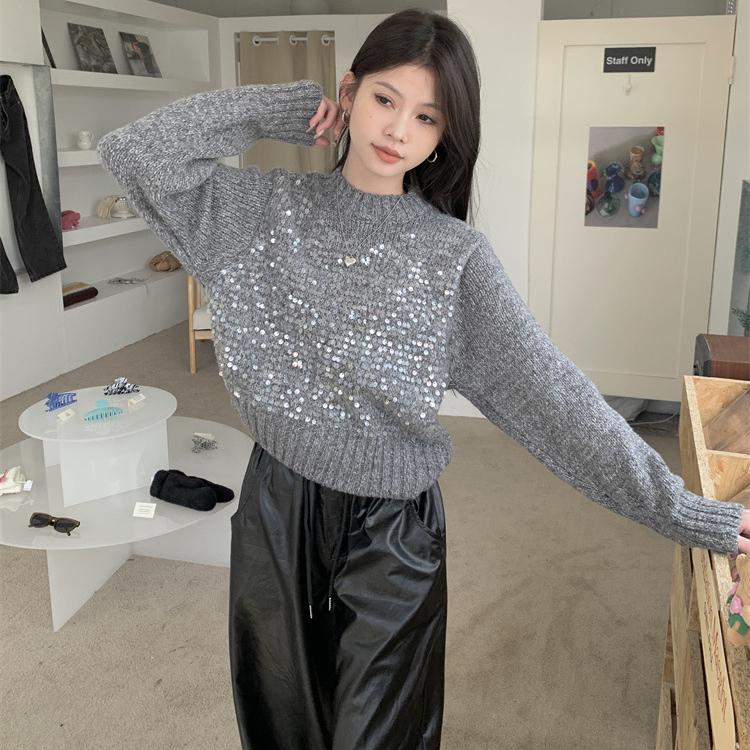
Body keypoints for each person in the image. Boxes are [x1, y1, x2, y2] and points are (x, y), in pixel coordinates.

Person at [96, 8, 749, 749]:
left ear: (445, 136)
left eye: (427, 116)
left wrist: (683, 509)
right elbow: (136, 152)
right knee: (281, 720)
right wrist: (283, 109)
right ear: (350, 93)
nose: (398, 130)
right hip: (276, 505)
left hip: (392, 531)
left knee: (380, 734)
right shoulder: (258, 213)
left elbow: (555, 398)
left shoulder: (451, 258)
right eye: (384, 99)